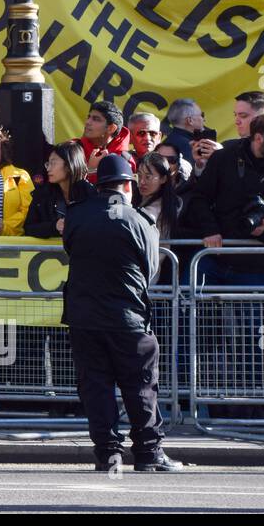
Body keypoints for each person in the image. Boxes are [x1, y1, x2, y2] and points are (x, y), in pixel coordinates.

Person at [63, 153, 181, 472]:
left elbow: (70, 248)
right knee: (140, 385)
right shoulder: (140, 221)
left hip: (84, 316)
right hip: (127, 317)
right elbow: (150, 269)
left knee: (96, 386)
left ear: (97, 184)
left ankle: (108, 453)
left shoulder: (76, 216)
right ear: (127, 185)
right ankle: (148, 453)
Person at [186, 109, 264, 281]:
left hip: (256, 264)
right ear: (259, 138)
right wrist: (210, 230)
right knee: (188, 306)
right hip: (214, 257)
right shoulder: (224, 157)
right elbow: (199, 198)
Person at [24, 142, 94, 238]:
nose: (48, 168)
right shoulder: (42, 194)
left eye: (53, 163)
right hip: (50, 253)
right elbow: (28, 228)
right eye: (48, 163)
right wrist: (54, 226)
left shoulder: (91, 194)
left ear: (70, 165)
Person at [76, 100, 135, 183]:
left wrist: (92, 172)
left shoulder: (125, 160)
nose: (88, 122)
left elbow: (120, 194)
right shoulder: (72, 149)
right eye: (88, 117)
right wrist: (91, 171)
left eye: (96, 119)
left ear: (111, 128)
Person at [135, 151, 182, 240]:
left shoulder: (169, 203)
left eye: (148, 177)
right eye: (139, 175)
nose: (142, 182)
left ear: (163, 179)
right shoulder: (135, 198)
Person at [162, 97, 205, 166]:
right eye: (201, 115)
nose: (204, 119)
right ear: (190, 121)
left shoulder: (166, 142)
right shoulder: (191, 147)